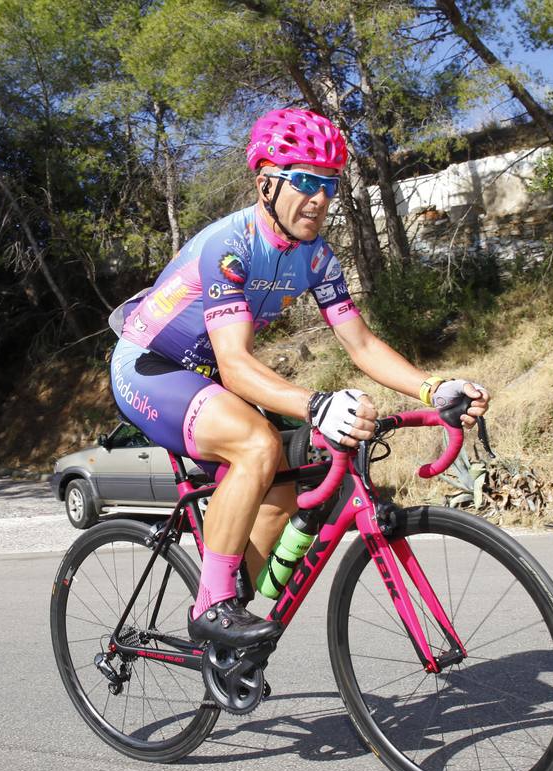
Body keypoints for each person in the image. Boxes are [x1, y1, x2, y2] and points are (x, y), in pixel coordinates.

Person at [109, 107, 489, 646]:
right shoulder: (230, 246)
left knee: (292, 477)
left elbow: (359, 343)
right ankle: (210, 605)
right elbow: (238, 364)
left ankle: (233, 607)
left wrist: (432, 387)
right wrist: (317, 404)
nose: (320, 198)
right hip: (150, 367)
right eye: (306, 181)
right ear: (265, 183)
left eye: (329, 185)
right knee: (257, 445)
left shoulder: (315, 256)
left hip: (209, 374)